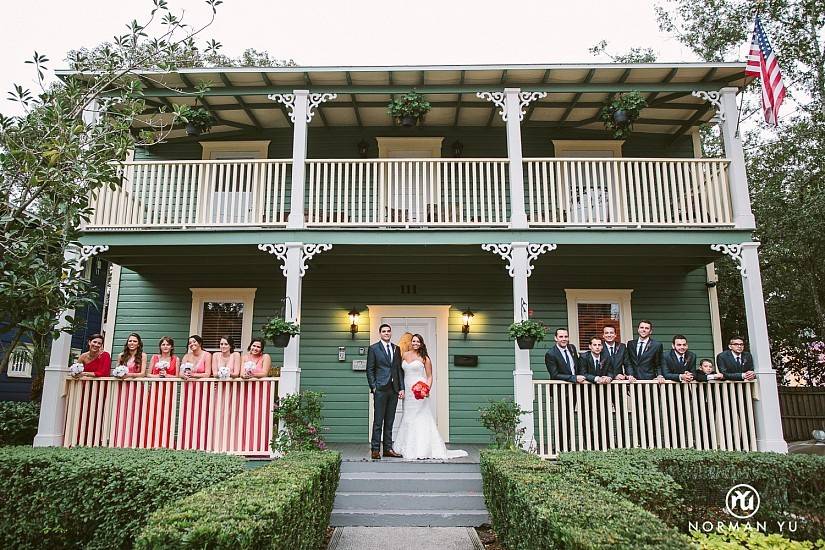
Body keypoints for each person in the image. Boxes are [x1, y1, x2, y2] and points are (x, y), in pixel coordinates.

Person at [393, 334, 467, 460]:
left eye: (418, 341)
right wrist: (400, 388)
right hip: (407, 390)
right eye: (413, 341)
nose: (415, 343)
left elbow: (429, 376)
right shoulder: (405, 355)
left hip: (419, 390)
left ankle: (422, 448)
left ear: (421, 343)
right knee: (408, 416)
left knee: (420, 417)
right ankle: (405, 446)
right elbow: (400, 372)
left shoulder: (425, 358)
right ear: (411, 342)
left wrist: (426, 389)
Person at [366, 323, 404, 460]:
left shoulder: (396, 348)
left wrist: (401, 388)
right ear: (380, 333)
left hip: (393, 390)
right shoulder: (374, 349)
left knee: (390, 421)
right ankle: (375, 449)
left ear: (391, 333)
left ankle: (388, 449)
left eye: (388, 331)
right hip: (380, 389)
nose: (386, 333)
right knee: (378, 421)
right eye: (384, 331)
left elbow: (398, 370)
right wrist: (374, 387)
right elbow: (369, 369)